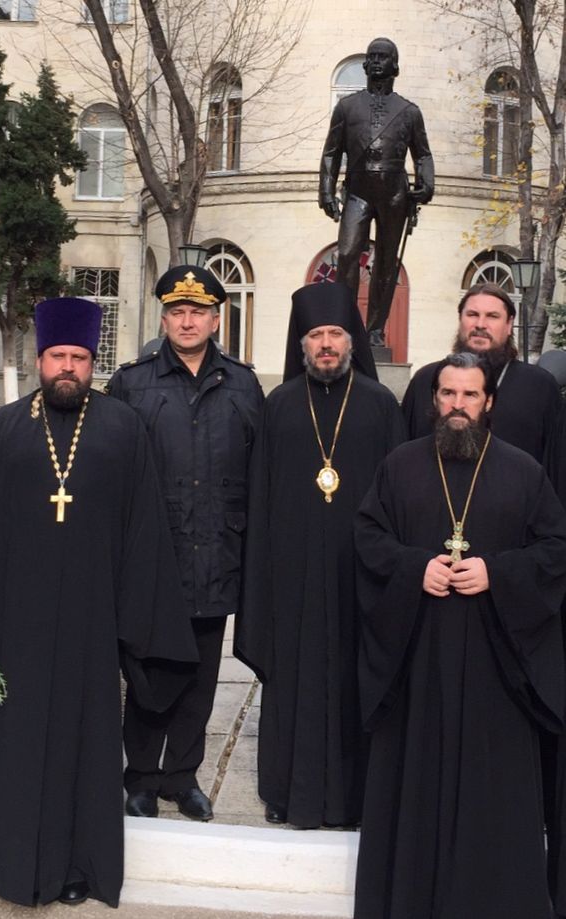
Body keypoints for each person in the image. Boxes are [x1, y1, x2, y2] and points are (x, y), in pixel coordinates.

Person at [0, 297, 197, 908]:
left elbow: (144, 530)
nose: (67, 367)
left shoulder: (122, 428)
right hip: (14, 624)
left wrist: (137, 625)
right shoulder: (3, 429)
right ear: (39, 359)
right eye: (57, 356)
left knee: (83, 742)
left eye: (78, 357)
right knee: (8, 738)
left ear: (92, 362)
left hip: (91, 622)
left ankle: (76, 866)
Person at [353, 352, 566, 919]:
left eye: (470, 395)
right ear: (433, 400)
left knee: (490, 789)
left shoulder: (523, 471)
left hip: (496, 665)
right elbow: (368, 539)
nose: (458, 406)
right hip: (419, 659)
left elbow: (554, 551)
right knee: (416, 781)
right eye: (448, 394)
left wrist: (498, 573)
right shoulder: (399, 466)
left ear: (489, 402)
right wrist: (412, 568)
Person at [235, 281, 406, 829]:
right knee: (294, 680)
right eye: (315, 336)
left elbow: (400, 500)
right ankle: (288, 790)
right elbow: (260, 499)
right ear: (301, 344)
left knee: (358, 678)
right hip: (292, 577)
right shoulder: (280, 406)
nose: (326, 344)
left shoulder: (380, 406)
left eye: (335, 333)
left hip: (361, 575)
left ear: (351, 339)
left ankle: (358, 796)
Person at [108, 265, 264, 822]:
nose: (188, 321)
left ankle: (182, 776)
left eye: (198, 312)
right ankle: (141, 777)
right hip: (154, 557)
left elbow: (259, 471)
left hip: (218, 552)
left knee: (200, 677)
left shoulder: (243, 384)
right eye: (178, 311)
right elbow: (112, 470)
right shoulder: (132, 383)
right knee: (149, 673)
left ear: (217, 319)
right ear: (164, 319)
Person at [319, 37, 434, 343]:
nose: (377, 61)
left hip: (394, 195)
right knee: (347, 254)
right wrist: (326, 192)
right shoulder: (346, 107)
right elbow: (331, 153)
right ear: (366, 65)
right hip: (357, 191)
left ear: (395, 66)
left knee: (385, 261)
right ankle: (345, 324)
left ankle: (374, 330)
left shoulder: (409, 111)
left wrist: (427, 184)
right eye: (372, 56)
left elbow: (422, 154)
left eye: (383, 57)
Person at [402, 281, 562, 462]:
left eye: (492, 316)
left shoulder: (540, 386)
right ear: (460, 320)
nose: (480, 324)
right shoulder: (425, 380)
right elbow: (404, 456)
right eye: (472, 314)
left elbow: (556, 462)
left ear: (509, 324)